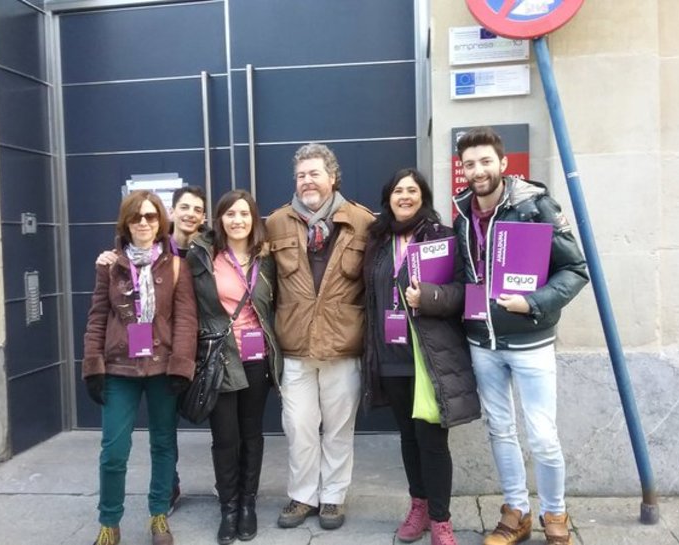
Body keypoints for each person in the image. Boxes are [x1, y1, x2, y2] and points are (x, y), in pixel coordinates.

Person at [453, 127, 589, 545]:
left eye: (485, 162)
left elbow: (575, 270)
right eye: (470, 164)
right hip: (483, 342)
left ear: (503, 164)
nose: (478, 171)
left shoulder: (535, 206)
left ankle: (555, 513)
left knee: (543, 434)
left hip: (530, 341)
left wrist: (532, 303)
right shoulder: (460, 212)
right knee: (501, 430)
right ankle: (517, 512)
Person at [362, 168, 480, 545]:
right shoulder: (377, 242)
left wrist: (427, 297)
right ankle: (419, 507)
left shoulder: (442, 237)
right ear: (388, 198)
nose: (405, 196)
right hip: (391, 356)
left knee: (432, 440)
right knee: (409, 437)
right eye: (398, 190)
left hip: (428, 357)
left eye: (412, 190)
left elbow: (465, 292)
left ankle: (441, 521)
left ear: (423, 196)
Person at [266, 143, 375, 530]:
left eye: (314, 173)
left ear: (333, 177)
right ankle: (302, 495)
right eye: (300, 175)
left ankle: (333, 497)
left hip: (342, 344)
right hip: (294, 345)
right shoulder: (276, 222)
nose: (306, 181)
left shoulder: (363, 221)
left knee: (339, 428)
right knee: (298, 427)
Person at [83, 190, 198, 545]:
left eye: (151, 216)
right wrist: (93, 365)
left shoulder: (177, 265)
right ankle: (109, 521)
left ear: (161, 221)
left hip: (163, 370)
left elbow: (185, 319)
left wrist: (181, 365)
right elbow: (98, 316)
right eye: (137, 217)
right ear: (126, 222)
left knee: (163, 444)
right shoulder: (110, 264)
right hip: (120, 369)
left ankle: (159, 515)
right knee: (114, 449)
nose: (144, 223)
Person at [186, 190, 282, 545]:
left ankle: (248, 504)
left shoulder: (266, 258)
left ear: (254, 219)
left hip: (257, 358)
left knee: (251, 433)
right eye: (230, 214)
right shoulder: (204, 255)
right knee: (225, 438)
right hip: (219, 356)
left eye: (244, 213)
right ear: (220, 219)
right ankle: (228, 506)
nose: (238, 220)